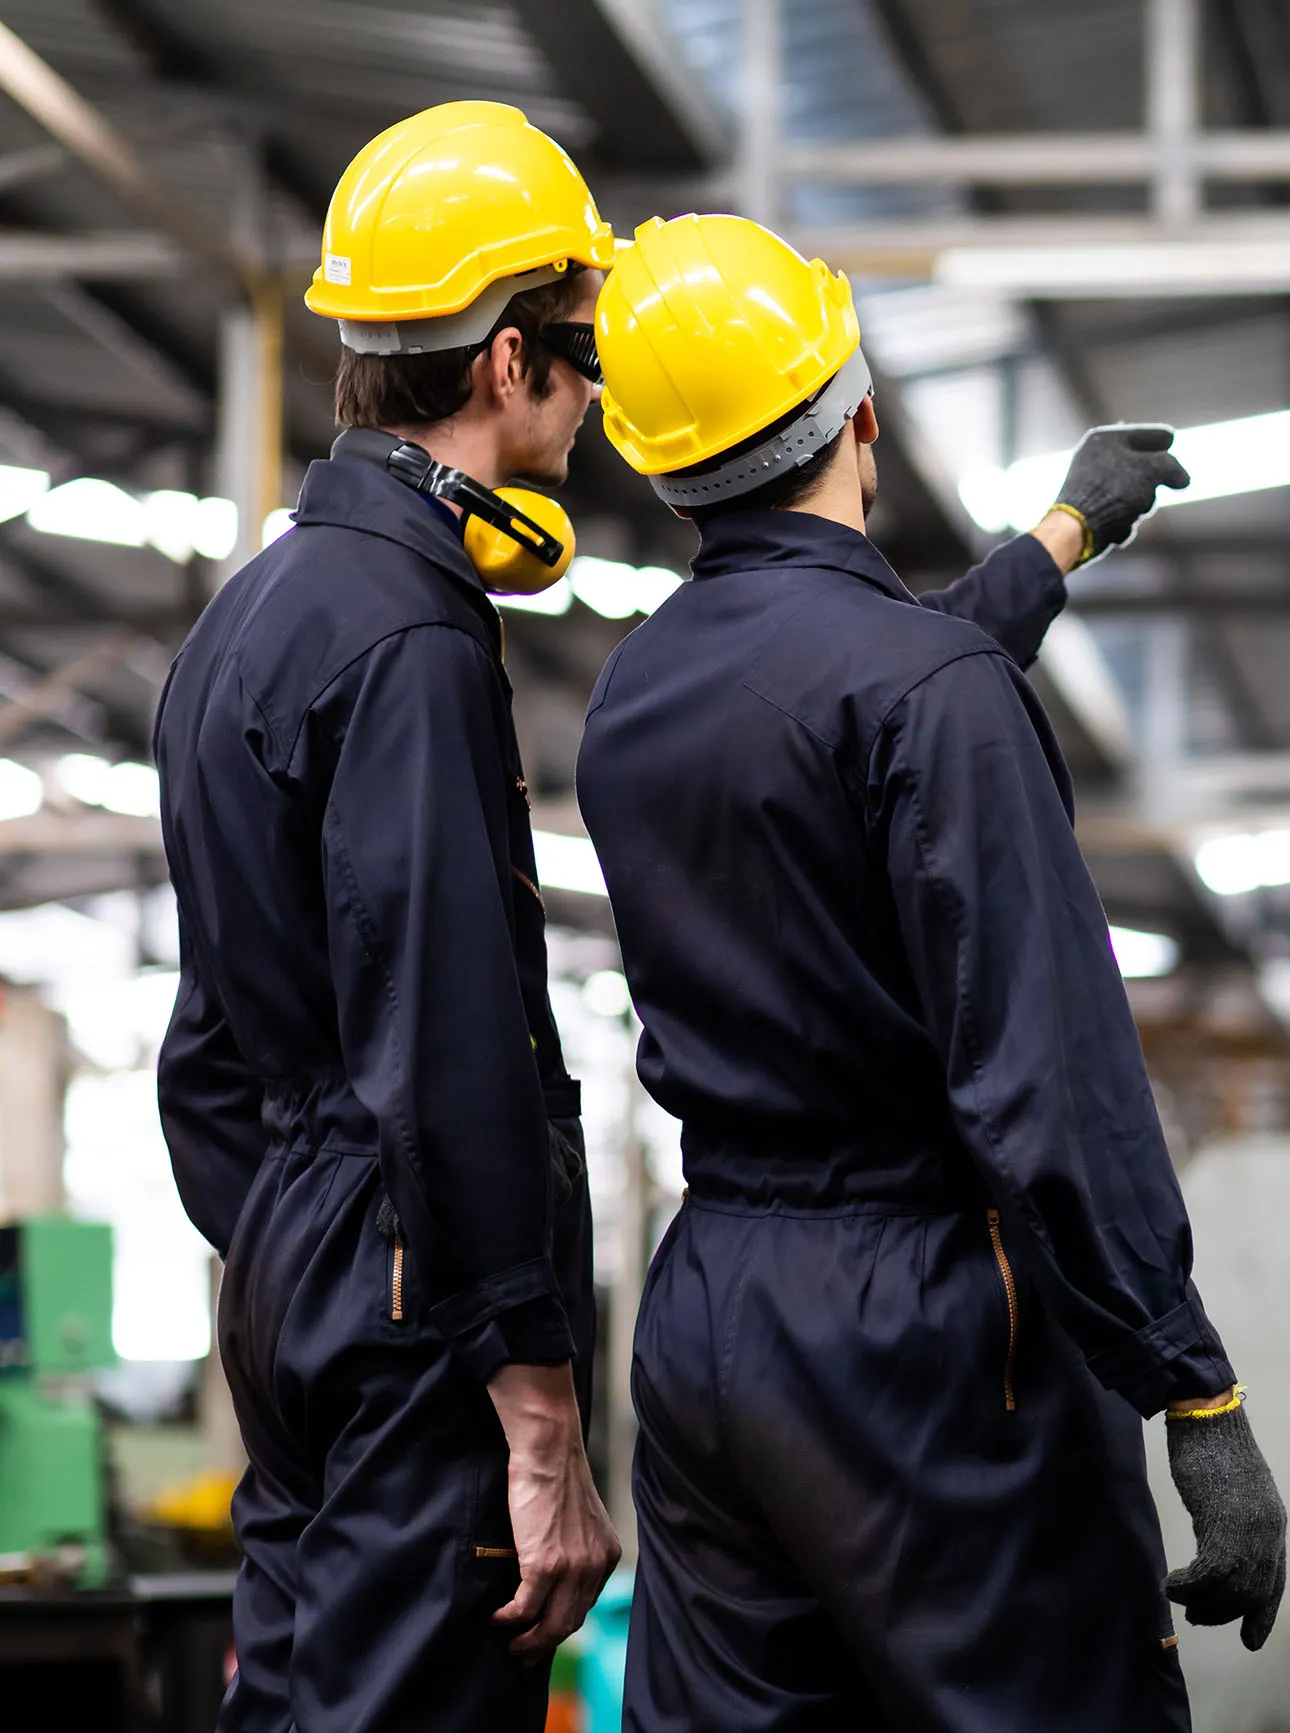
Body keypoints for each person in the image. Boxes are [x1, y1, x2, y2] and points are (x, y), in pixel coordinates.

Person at [577, 212, 1288, 1732]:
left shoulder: (636, 693)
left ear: (655, 459)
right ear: (864, 410)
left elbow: (842, 692)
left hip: (713, 1321)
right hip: (930, 1331)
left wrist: (1057, 542)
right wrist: (1195, 1392)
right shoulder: (927, 693)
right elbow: (1054, 1081)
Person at [154, 102, 622, 1731]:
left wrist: (298, 1243)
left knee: (296, 1702)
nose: (597, 389)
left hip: (303, 1262)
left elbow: (207, 1038)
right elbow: (450, 1032)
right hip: (413, 1296)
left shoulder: (251, 614)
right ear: (508, 361)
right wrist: (541, 1412)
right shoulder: (415, 641)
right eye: (585, 348)